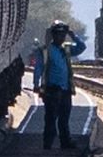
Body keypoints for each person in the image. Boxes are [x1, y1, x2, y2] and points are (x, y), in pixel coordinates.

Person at [32, 21, 86, 150]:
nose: (60, 37)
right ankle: (48, 144)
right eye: (58, 34)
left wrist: (73, 35)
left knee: (64, 119)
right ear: (53, 35)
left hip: (65, 89)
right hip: (51, 90)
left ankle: (65, 142)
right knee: (50, 119)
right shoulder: (45, 51)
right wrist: (36, 84)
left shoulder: (66, 48)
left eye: (63, 34)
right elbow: (38, 68)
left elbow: (81, 47)